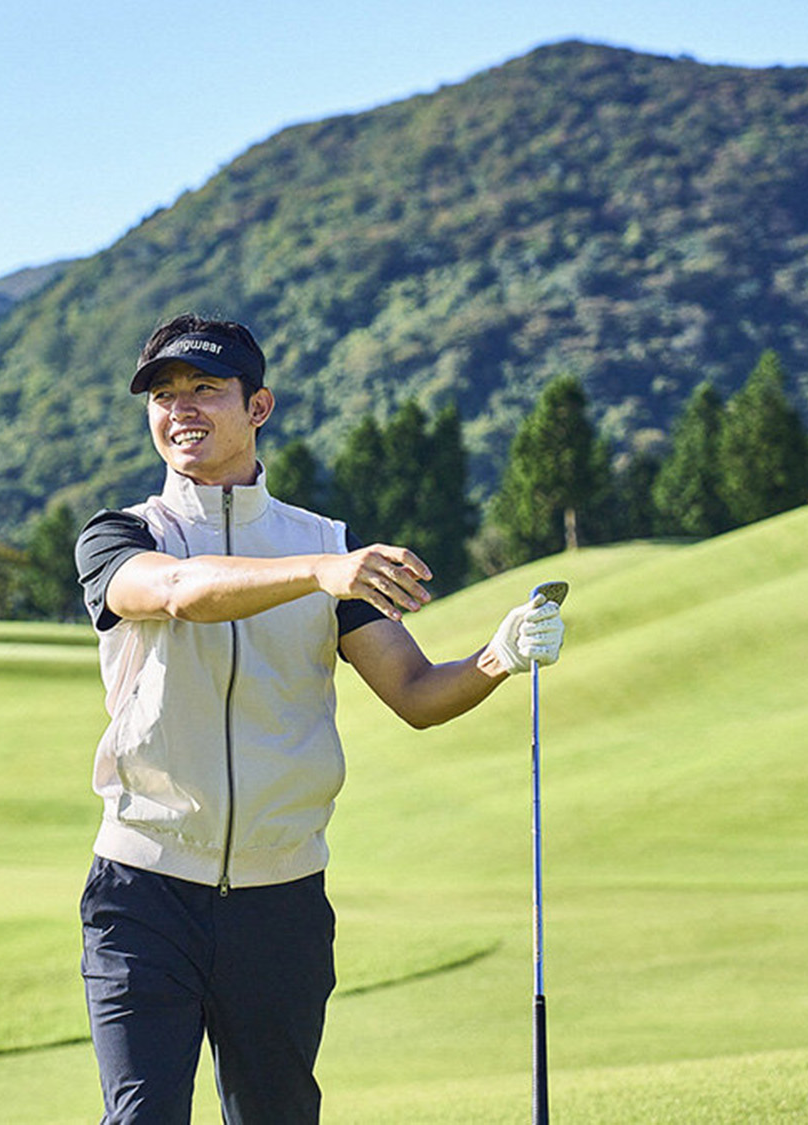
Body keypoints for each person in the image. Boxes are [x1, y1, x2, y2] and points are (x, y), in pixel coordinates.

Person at [74, 313, 566, 1123]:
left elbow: (413, 693)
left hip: (281, 899)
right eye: (163, 395)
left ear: (258, 406)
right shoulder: (126, 535)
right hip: (144, 890)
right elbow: (175, 594)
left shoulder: (325, 543)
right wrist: (323, 573)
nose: (180, 409)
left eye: (205, 388)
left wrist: (498, 657)